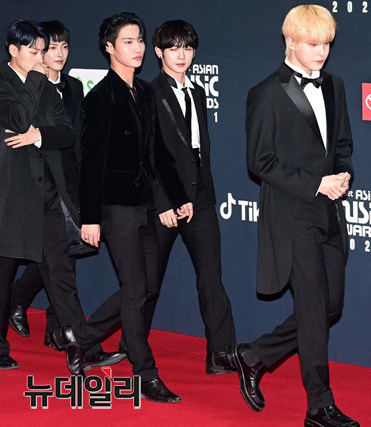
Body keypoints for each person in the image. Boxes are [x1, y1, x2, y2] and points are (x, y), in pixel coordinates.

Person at [232, 5, 358, 427]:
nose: (321, 52)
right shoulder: (266, 93)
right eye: (312, 44)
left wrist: (343, 174)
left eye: (326, 44)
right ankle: (318, 407)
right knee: (314, 310)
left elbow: (342, 144)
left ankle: (255, 354)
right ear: (290, 41)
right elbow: (260, 162)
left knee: (329, 307)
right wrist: (315, 183)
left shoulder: (335, 85)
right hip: (293, 215)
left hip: (330, 212)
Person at [0, 20, 122, 372]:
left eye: (43, 51)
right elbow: (17, 117)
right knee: (2, 272)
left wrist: (38, 135)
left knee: (61, 274)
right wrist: (33, 81)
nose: (41, 57)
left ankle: (84, 346)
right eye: (34, 51)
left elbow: (65, 132)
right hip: (12, 193)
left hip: (47, 193)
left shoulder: (43, 83)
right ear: (13, 50)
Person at [74, 12, 191, 403]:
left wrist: (179, 196)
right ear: (109, 47)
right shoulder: (99, 98)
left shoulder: (144, 92)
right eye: (128, 41)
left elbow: (158, 153)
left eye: (139, 40)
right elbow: (90, 163)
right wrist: (90, 218)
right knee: (137, 288)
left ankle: (80, 337)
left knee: (146, 286)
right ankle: (145, 372)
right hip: (114, 207)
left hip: (144, 204)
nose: (137, 47)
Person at [8, 20, 106, 356]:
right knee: (59, 261)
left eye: (64, 46)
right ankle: (69, 335)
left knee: (61, 259)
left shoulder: (74, 86)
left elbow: (76, 136)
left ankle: (44, 321)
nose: (59, 53)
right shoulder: (27, 88)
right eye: (51, 47)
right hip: (42, 184)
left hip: (71, 180)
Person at [148, 20, 237, 375]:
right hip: (165, 200)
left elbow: (197, 149)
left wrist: (202, 190)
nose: (181, 54)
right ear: (159, 52)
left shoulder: (198, 92)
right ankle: (131, 345)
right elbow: (147, 155)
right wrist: (161, 202)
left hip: (199, 196)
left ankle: (220, 353)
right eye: (173, 48)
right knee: (147, 282)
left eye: (187, 47)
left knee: (211, 277)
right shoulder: (148, 93)